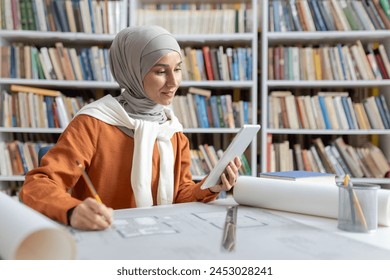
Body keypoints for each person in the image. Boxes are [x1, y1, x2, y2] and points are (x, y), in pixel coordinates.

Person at [19, 25, 242, 231]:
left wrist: (211, 186)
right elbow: (37, 185)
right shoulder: (93, 122)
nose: (174, 82)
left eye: (177, 69)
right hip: (106, 235)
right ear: (132, 71)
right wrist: (72, 210)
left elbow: (180, 196)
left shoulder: (172, 129)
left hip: (161, 235)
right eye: (161, 71)